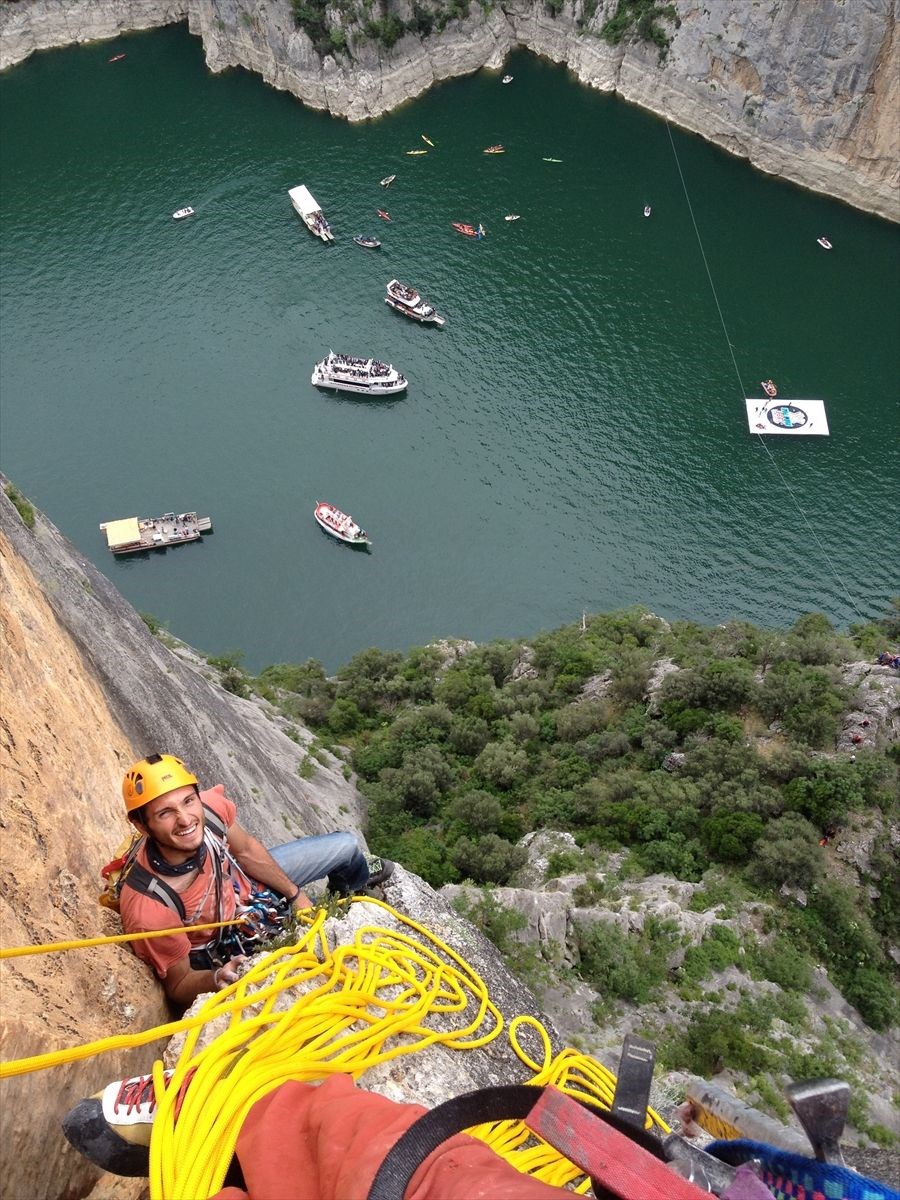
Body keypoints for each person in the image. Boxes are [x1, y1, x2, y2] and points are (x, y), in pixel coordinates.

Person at [118, 754, 392, 1007]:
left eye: (189, 801)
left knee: (346, 845)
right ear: (142, 826)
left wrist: (296, 896)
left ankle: (348, 895)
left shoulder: (210, 812)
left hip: (246, 886)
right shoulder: (150, 908)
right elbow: (178, 983)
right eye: (165, 813)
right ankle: (328, 907)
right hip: (224, 943)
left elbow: (247, 850)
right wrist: (215, 979)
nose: (185, 818)